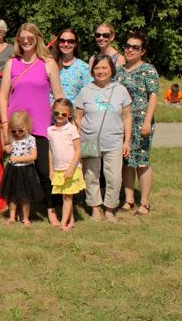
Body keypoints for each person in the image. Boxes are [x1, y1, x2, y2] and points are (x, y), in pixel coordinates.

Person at [0, 23, 64, 226]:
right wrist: (5, 123)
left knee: (44, 171)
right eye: (22, 38)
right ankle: (16, 210)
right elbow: (2, 96)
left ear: (38, 38)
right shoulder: (12, 63)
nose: (26, 41)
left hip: (41, 125)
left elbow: (59, 95)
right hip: (17, 126)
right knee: (17, 170)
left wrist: (62, 120)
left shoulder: (48, 63)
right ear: (18, 40)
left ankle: (51, 209)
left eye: (30, 37)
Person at [75, 55, 132, 222]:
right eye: (97, 68)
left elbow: (127, 117)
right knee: (91, 175)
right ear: (92, 71)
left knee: (114, 177)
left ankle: (110, 208)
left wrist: (127, 141)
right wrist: (78, 139)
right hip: (89, 141)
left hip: (114, 141)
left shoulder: (120, 90)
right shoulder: (85, 90)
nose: (100, 71)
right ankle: (95, 208)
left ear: (111, 70)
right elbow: (78, 116)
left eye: (104, 68)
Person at [116, 32, 159, 216]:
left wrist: (148, 121)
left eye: (135, 47)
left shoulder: (148, 69)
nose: (130, 49)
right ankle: (129, 199)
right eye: (128, 46)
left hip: (142, 122)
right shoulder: (118, 70)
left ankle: (145, 203)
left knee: (141, 162)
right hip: (121, 123)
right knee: (126, 162)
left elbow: (153, 96)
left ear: (143, 51)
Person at [0, 111, 44, 226]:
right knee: (12, 195)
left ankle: (26, 217)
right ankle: (12, 216)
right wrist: (6, 149)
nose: (17, 133)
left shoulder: (31, 139)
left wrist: (18, 159)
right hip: (12, 170)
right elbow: (6, 148)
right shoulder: (12, 138)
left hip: (26, 170)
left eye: (20, 130)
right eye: (14, 131)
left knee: (25, 196)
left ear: (27, 126)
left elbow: (34, 156)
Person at [48, 98, 86, 231]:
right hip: (58, 169)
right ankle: (71, 220)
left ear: (69, 115)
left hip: (71, 168)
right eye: (56, 113)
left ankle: (63, 223)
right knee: (64, 195)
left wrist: (71, 168)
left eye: (63, 114)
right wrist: (51, 169)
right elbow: (51, 151)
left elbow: (78, 150)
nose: (59, 116)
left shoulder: (71, 129)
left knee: (68, 197)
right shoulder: (50, 130)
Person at [50, 28, 92, 103]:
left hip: (73, 113)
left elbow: (88, 95)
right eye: (62, 41)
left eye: (70, 41)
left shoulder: (84, 68)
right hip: (48, 112)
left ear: (75, 44)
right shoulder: (49, 64)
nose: (66, 44)